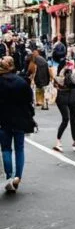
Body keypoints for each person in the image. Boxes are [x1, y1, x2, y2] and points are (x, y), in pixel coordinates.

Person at [0, 56, 34, 192]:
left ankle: (9, 176)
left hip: (3, 119)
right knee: (19, 149)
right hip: (20, 119)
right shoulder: (21, 82)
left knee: (6, 149)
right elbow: (29, 100)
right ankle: (17, 177)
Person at [53, 61, 75, 153]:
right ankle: (71, 141)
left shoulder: (64, 75)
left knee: (68, 119)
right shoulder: (69, 75)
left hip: (67, 96)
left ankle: (61, 141)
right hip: (71, 96)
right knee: (69, 119)